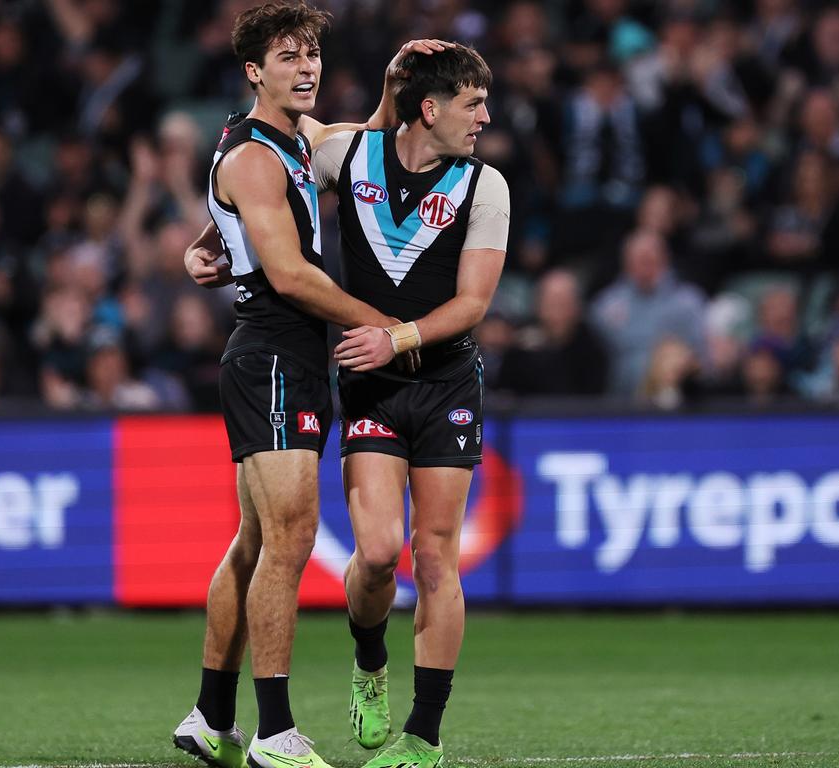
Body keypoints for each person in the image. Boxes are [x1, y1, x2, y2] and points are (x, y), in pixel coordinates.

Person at [171, 4, 450, 768]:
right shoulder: (256, 156)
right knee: (290, 541)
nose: (308, 68)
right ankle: (275, 733)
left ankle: (210, 716)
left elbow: (355, 144)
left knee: (256, 541)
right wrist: (387, 325)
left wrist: (395, 90)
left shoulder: (293, 139)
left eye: (314, 55)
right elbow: (291, 273)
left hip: (283, 354)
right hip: (271, 351)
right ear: (254, 70)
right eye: (290, 56)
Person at [318, 43, 509, 768]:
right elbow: (267, 167)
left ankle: (423, 739)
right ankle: (370, 665)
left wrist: (393, 337)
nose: (485, 118)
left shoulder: (485, 186)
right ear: (429, 109)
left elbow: (474, 303)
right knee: (375, 555)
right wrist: (211, 240)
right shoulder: (352, 158)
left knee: (434, 560)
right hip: (372, 389)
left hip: (447, 384)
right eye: (472, 104)